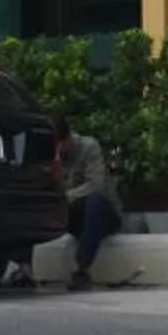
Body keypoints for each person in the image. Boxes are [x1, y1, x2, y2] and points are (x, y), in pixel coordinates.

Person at [56, 119, 121, 292]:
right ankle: (25, 268)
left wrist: (64, 197)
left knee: (95, 202)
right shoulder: (52, 157)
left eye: (58, 145)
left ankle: (82, 268)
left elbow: (96, 185)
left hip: (103, 212)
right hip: (73, 213)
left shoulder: (88, 146)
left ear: (67, 139)